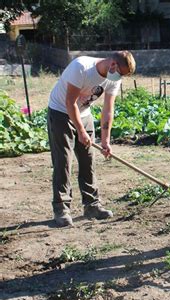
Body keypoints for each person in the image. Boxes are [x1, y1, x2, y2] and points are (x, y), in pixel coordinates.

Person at [47, 51, 136, 227]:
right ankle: (61, 208)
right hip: (60, 112)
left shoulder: (114, 78)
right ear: (113, 65)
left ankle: (92, 205)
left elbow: (108, 110)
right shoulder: (81, 67)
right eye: (121, 74)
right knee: (63, 160)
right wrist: (80, 131)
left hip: (84, 113)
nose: (120, 78)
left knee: (88, 160)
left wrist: (106, 141)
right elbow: (70, 102)